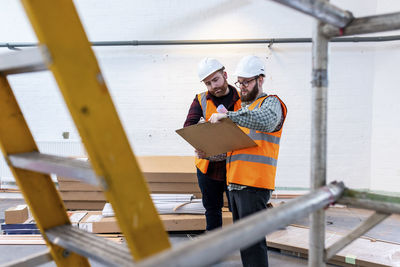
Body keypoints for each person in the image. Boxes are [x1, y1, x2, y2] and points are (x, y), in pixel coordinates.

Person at [209, 55, 287, 267]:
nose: (242, 87)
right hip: (236, 185)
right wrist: (209, 152)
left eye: (247, 82)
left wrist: (229, 117)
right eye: (240, 82)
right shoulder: (244, 111)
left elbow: (267, 122)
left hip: (254, 184)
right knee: (245, 241)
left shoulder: (271, 103)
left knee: (252, 243)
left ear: (260, 80)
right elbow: (234, 148)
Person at [183, 57, 242, 231]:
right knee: (212, 209)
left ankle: (243, 248)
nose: (213, 86)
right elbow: (189, 127)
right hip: (208, 167)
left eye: (215, 79)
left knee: (237, 210)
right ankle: (214, 249)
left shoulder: (242, 98)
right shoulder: (200, 99)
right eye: (208, 83)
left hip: (236, 165)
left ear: (225, 75)